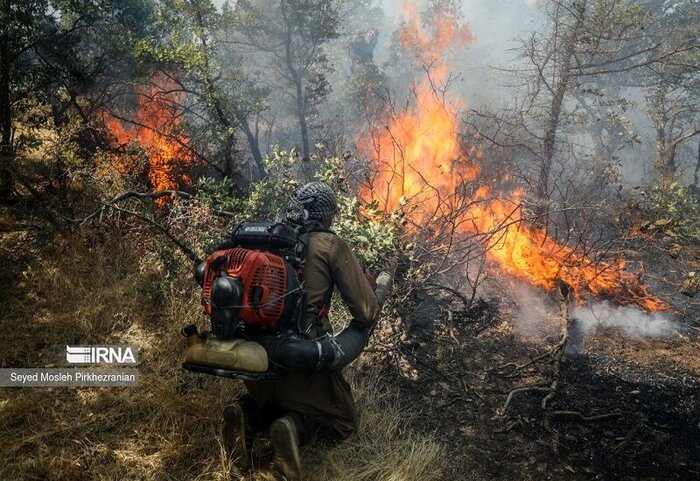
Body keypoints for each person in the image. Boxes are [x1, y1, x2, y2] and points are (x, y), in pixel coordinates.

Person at [222, 182, 379, 479]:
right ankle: (293, 428)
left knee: (270, 402)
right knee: (344, 423)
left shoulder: (268, 239)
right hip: (303, 363)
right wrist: (370, 288)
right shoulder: (329, 244)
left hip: (253, 362)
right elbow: (366, 312)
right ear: (328, 215)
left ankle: (245, 414)